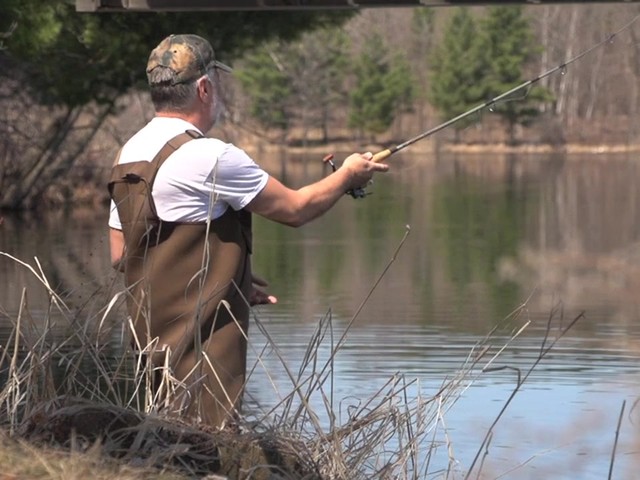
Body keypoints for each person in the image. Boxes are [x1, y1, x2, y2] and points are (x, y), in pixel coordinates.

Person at [108, 33, 388, 429]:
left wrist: (227, 278)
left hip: (149, 344)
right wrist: (347, 176)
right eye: (217, 83)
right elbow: (295, 209)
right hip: (199, 348)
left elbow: (123, 254)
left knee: (158, 438)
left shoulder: (129, 153)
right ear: (204, 88)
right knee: (207, 443)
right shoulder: (210, 155)